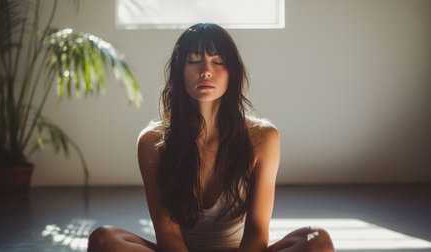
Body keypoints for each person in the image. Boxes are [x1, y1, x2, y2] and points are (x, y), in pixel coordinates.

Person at [88, 23, 334, 252]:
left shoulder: (262, 137)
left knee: (317, 240)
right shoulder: (152, 141)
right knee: (103, 239)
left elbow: (257, 232)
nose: (206, 71)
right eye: (194, 61)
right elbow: (167, 233)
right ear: (179, 71)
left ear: (232, 73)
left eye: (218, 62)